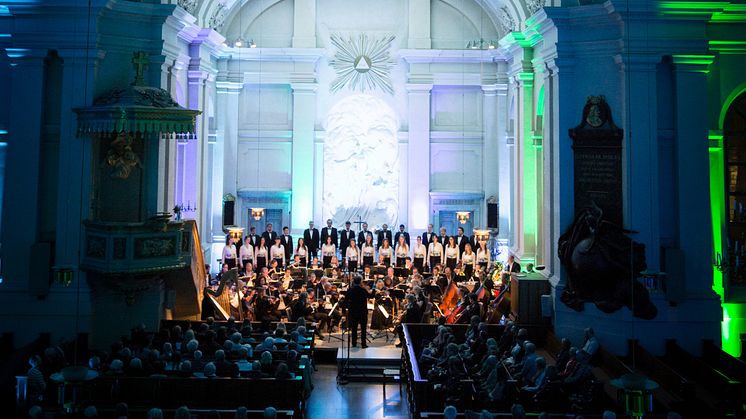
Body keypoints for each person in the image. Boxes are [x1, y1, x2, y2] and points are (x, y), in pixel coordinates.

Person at [346, 275, 375, 348]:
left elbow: (346, 299)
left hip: (353, 312)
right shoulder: (363, 290)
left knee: (354, 328)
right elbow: (371, 296)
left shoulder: (350, 290)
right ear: (360, 282)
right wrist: (374, 289)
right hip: (362, 311)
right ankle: (363, 344)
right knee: (363, 328)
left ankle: (354, 343)